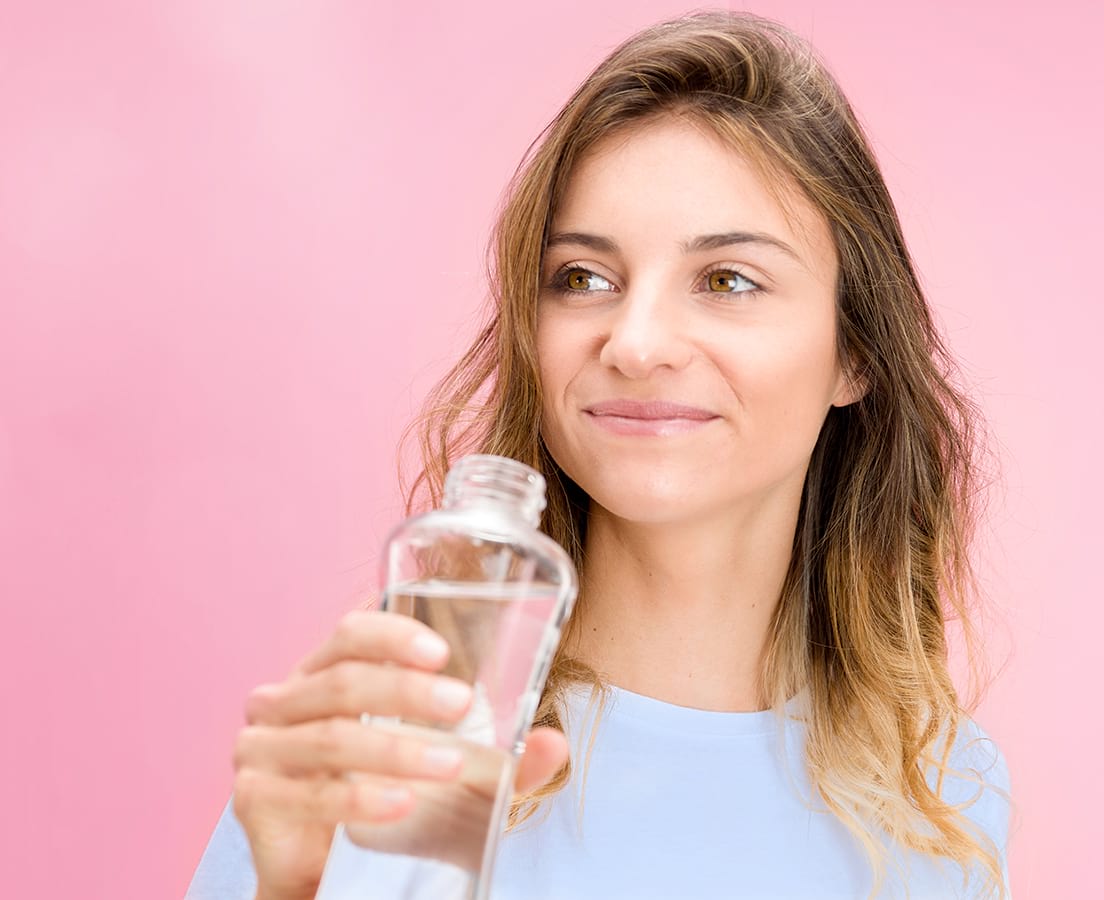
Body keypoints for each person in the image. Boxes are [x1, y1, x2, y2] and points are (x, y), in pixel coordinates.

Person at [186, 10, 1013, 900]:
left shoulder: (945, 793)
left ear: (856, 351)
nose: (636, 340)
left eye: (727, 279)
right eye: (584, 278)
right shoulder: (404, 730)